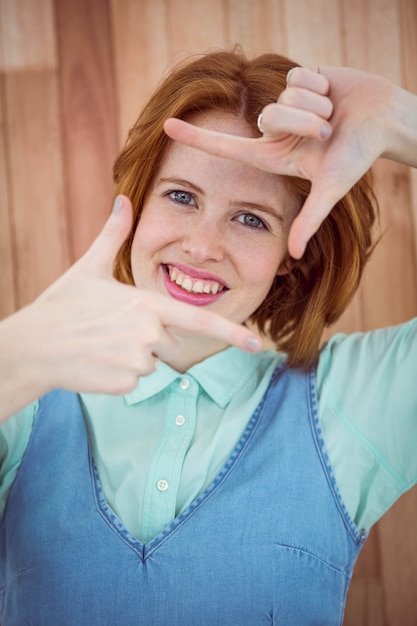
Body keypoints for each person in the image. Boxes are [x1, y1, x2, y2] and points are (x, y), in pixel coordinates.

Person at [0, 48, 416, 625]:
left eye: (251, 218)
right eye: (181, 196)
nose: (202, 246)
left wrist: (402, 121)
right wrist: (16, 350)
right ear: (137, 204)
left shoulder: (352, 405)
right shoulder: (20, 398)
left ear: (291, 257)